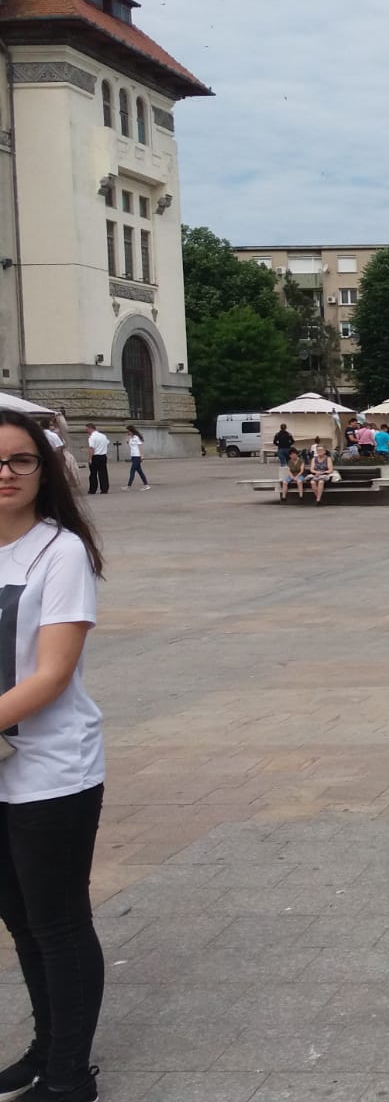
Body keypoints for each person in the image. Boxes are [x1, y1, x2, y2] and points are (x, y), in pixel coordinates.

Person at [0, 410, 108, 1102]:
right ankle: (45, 1047)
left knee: (57, 921)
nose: (5, 474)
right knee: (19, 919)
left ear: (44, 470)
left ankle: (69, 1075)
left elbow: (52, 674)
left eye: (20, 460)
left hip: (52, 769)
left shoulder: (59, 551)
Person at [82, 427, 108, 497]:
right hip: (103, 455)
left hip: (95, 456)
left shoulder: (92, 437)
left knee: (93, 473)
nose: (86, 431)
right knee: (103, 473)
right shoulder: (103, 436)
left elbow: (91, 448)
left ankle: (93, 489)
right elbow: (107, 443)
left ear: (91, 428)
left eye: (87, 429)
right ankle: (104, 489)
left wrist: (90, 458)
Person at [121, 426, 149, 491]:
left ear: (131, 431)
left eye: (128, 431)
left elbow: (140, 446)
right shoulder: (131, 438)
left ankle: (129, 486)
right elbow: (131, 446)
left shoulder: (136, 437)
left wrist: (142, 455)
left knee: (132, 471)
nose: (127, 432)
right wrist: (128, 440)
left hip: (137, 456)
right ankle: (146, 485)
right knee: (140, 472)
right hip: (133, 456)